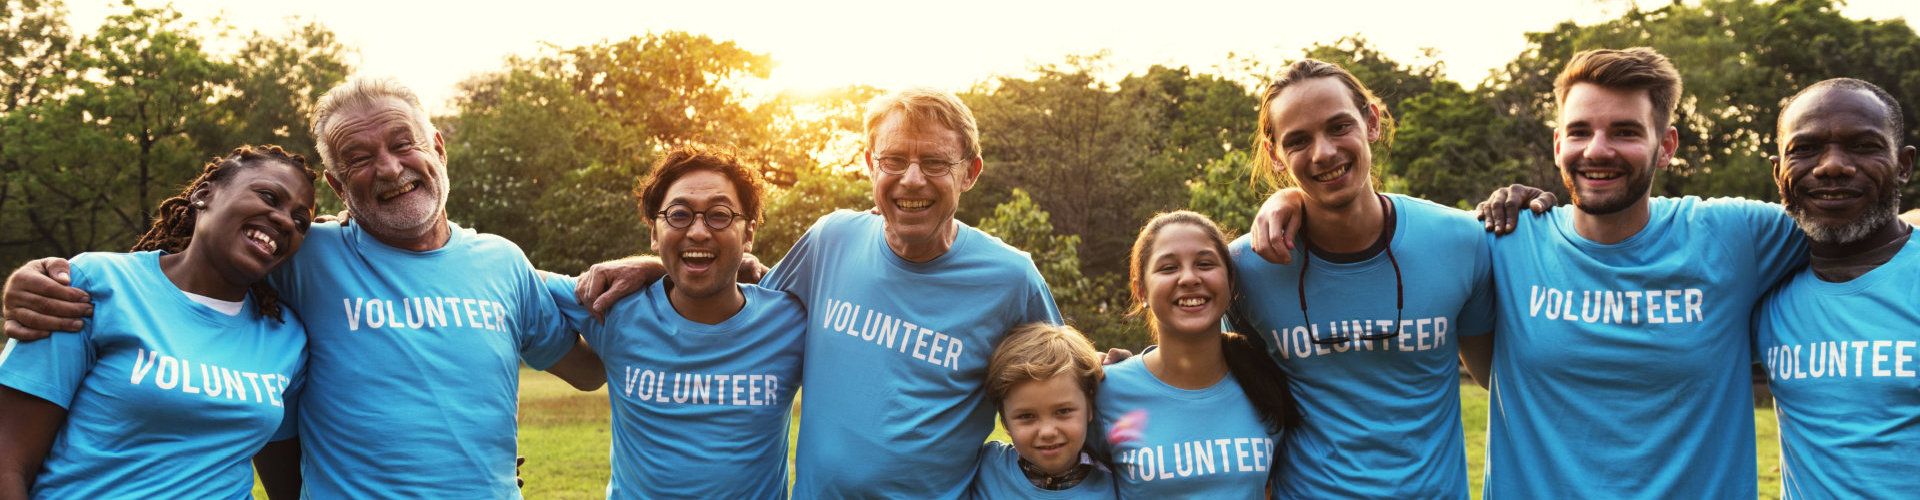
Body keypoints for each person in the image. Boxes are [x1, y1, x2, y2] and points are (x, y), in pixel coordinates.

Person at [1, 77, 605, 497]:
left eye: (403, 143)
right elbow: (194, 260)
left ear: (438, 148)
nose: (390, 169)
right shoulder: (304, 252)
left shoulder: (503, 264)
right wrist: (37, 279)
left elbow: (588, 368)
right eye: (360, 157)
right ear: (341, 190)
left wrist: (659, 266)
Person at [1254, 47, 1804, 498]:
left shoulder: (1736, 235)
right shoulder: (1502, 241)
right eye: (1581, 130)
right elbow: (1368, 222)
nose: (1599, 150)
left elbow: (1866, 230)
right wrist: (1293, 199)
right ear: (1558, 141)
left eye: (1626, 132)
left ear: (1666, 146)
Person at [578, 87, 1060, 498]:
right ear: (871, 165)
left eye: (934, 162)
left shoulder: (1010, 278)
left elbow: (1067, 383)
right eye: (894, 159)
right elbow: (745, 290)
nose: (912, 179)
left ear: (970, 172)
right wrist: (652, 264)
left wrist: (1124, 371)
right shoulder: (832, 239)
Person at [1232, 59, 1494, 499]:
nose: (1324, 153)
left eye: (1339, 127)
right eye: (1298, 140)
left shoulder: (1461, 241)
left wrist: (1527, 208)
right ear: (1275, 154)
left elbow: (1502, 375)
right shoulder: (1247, 268)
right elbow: (1220, 392)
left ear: (1372, 121)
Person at [0, 146, 315, 497]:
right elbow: (9, 460)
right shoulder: (97, 283)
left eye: (301, 222)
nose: (286, 221)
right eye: (269, 196)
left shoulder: (286, 337)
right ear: (203, 195)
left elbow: (289, 487)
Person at [542, 145, 806, 498]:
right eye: (679, 215)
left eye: (720, 214)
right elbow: (510, 280)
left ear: (749, 233)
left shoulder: (791, 321)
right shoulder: (612, 307)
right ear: (654, 232)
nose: (698, 232)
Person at [1753, 77, 1917, 498]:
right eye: (1805, 149)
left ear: (1904, 165)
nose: (1832, 166)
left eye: (1863, 145)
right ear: (1778, 172)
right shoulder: (1757, 285)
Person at [1094, 210, 1294, 499]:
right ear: (1141, 292)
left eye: (1204, 264)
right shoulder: (1105, 392)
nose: (1189, 278)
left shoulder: (1265, 384)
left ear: (1231, 282)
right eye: (1168, 268)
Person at [971, 322, 1117, 498]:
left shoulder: (1116, 483)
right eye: (1026, 416)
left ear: (1089, 408)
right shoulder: (981, 468)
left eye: (1063, 411)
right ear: (1005, 422)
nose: (1047, 432)